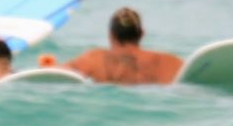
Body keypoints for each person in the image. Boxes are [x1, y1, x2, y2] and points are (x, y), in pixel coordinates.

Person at [53, 7, 183, 85]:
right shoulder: (169, 62)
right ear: (141, 34)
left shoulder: (94, 59)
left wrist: (47, 64)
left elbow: (57, 73)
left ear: (111, 35)